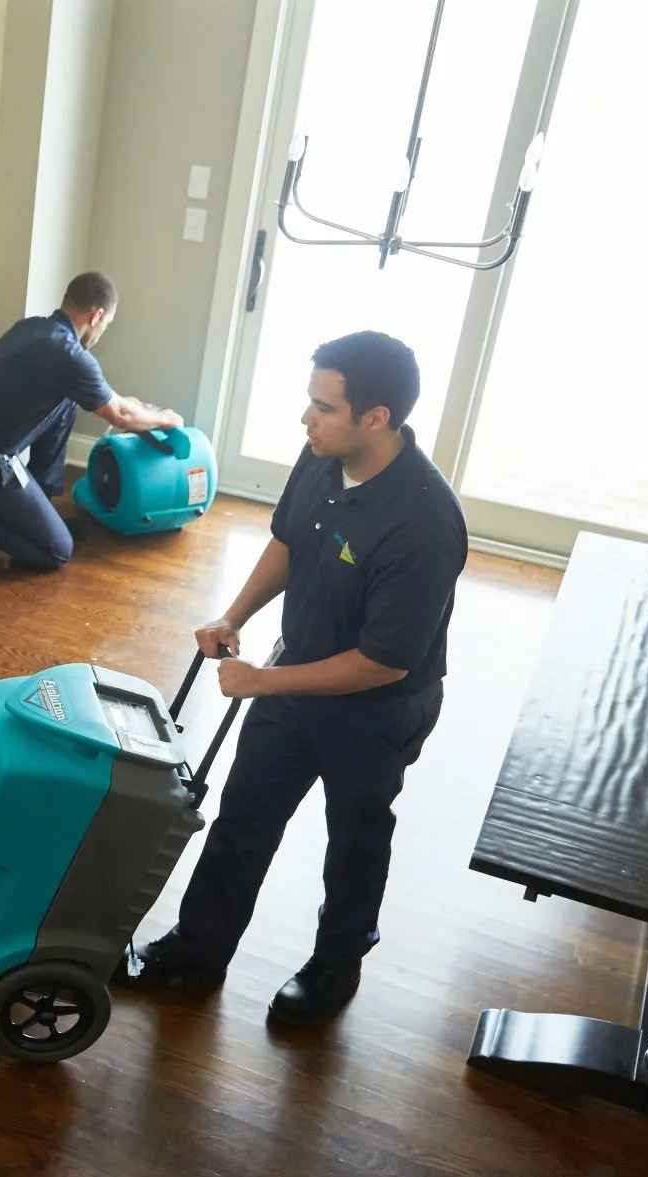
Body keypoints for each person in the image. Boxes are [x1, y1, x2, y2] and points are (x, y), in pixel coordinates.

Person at [117, 330, 467, 1026]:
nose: (306, 419)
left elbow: (383, 662)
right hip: (291, 673)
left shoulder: (424, 522)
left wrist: (264, 683)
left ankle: (335, 968)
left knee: (355, 842)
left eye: (323, 407)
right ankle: (197, 950)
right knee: (243, 818)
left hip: (378, 711)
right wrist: (234, 613)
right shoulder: (321, 457)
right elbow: (289, 539)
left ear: (377, 419)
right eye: (309, 403)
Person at [0, 272, 184, 569]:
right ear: (97, 315)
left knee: (69, 400)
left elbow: (113, 400)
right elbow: (119, 415)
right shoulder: (70, 356)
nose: (103, 330)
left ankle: (39, 505)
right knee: (56, 551)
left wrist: (137, 408)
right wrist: (164, 418)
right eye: (106, 324)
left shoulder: (31, 329)